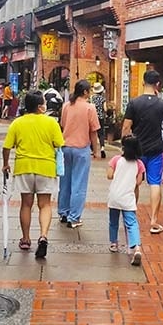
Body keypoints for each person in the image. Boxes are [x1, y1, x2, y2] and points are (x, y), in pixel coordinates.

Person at [2, 90, 64, 260]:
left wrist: (5, 164)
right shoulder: (51, 123)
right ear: (40, 107)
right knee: (44, 204)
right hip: (46, 168)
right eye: (43, 102)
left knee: (26, 204)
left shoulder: (17, 123)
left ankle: (26, 239)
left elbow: (6, 147)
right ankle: (43, 236)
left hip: (24, 167)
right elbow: (59, 144)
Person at [122, 70, 163, 234]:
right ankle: (154, 221)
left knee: (135, 182)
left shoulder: (134, 103)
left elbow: (127, 127)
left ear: (143, 83)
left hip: (137, 150)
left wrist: (124, 145)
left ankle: (131, 217)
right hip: (156, 148)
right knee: (155, 183)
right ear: (157, 85)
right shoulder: (162, 104)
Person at [58, 79, 100, 228]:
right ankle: (74, 217)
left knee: (65, 182)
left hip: (66, 147)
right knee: (79, 183)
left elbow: (63, 125)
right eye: (89, 90)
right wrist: (96, 150)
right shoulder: (90, 108)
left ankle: (63, 212)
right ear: (85, 92)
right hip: (81, 148)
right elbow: (93, 132)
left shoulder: (66, 106)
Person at [107, 135, 146, 265]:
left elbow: (109, 175)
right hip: (128, 198)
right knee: (131, 223)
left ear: (123, 147)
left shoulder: (115, 160)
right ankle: (136, 247)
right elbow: (138, 182)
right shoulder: (139, 164)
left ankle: (113, 243)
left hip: (114, 196)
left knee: (113, 221)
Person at [91, 82, 107, 158]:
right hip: (101, 118)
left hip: (93, 117)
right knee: (101, 134)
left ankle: (93, 149)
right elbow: (105, 108)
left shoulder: (92, 98)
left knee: (92, 133)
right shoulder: (103, 98)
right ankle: (102, 148)